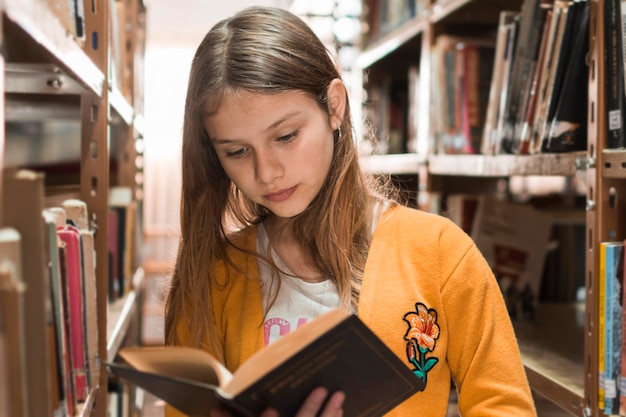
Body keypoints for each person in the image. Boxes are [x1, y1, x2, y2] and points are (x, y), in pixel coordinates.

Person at [164, 5, 537, 417]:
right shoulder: (213, 273)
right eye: (236, 151)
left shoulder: (439, 254)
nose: (266, 172)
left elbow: (506, 407)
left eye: (286, 136)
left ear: (334, 106)